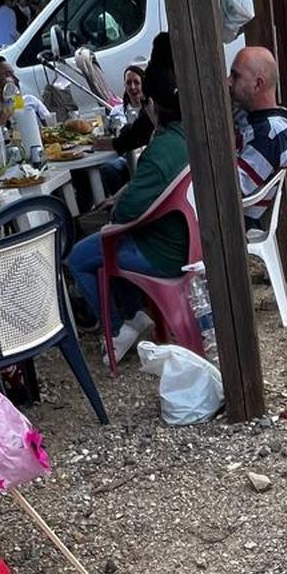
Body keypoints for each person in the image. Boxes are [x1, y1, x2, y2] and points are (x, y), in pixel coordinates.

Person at [63, 51, 190, 361]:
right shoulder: (188, 134)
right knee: (105, 241)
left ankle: (119, 327)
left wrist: (117, 206)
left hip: (163, 251)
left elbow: (126, 214)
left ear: (151, 106)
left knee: (80, 256)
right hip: (188, 239)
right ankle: (134, 315)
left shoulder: (159, 151)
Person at [228, 45, 287, 224]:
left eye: (235, 76)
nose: (228, 81)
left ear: (258, 84)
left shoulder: (269, 136)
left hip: (237, 223)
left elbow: (233, 187)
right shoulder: (255, 117)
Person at [0, 55, 53, 133]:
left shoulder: (30, 100)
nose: (16, 79)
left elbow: (52, 127)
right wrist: (6, 111)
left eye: (13, 74)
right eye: (8, 75)